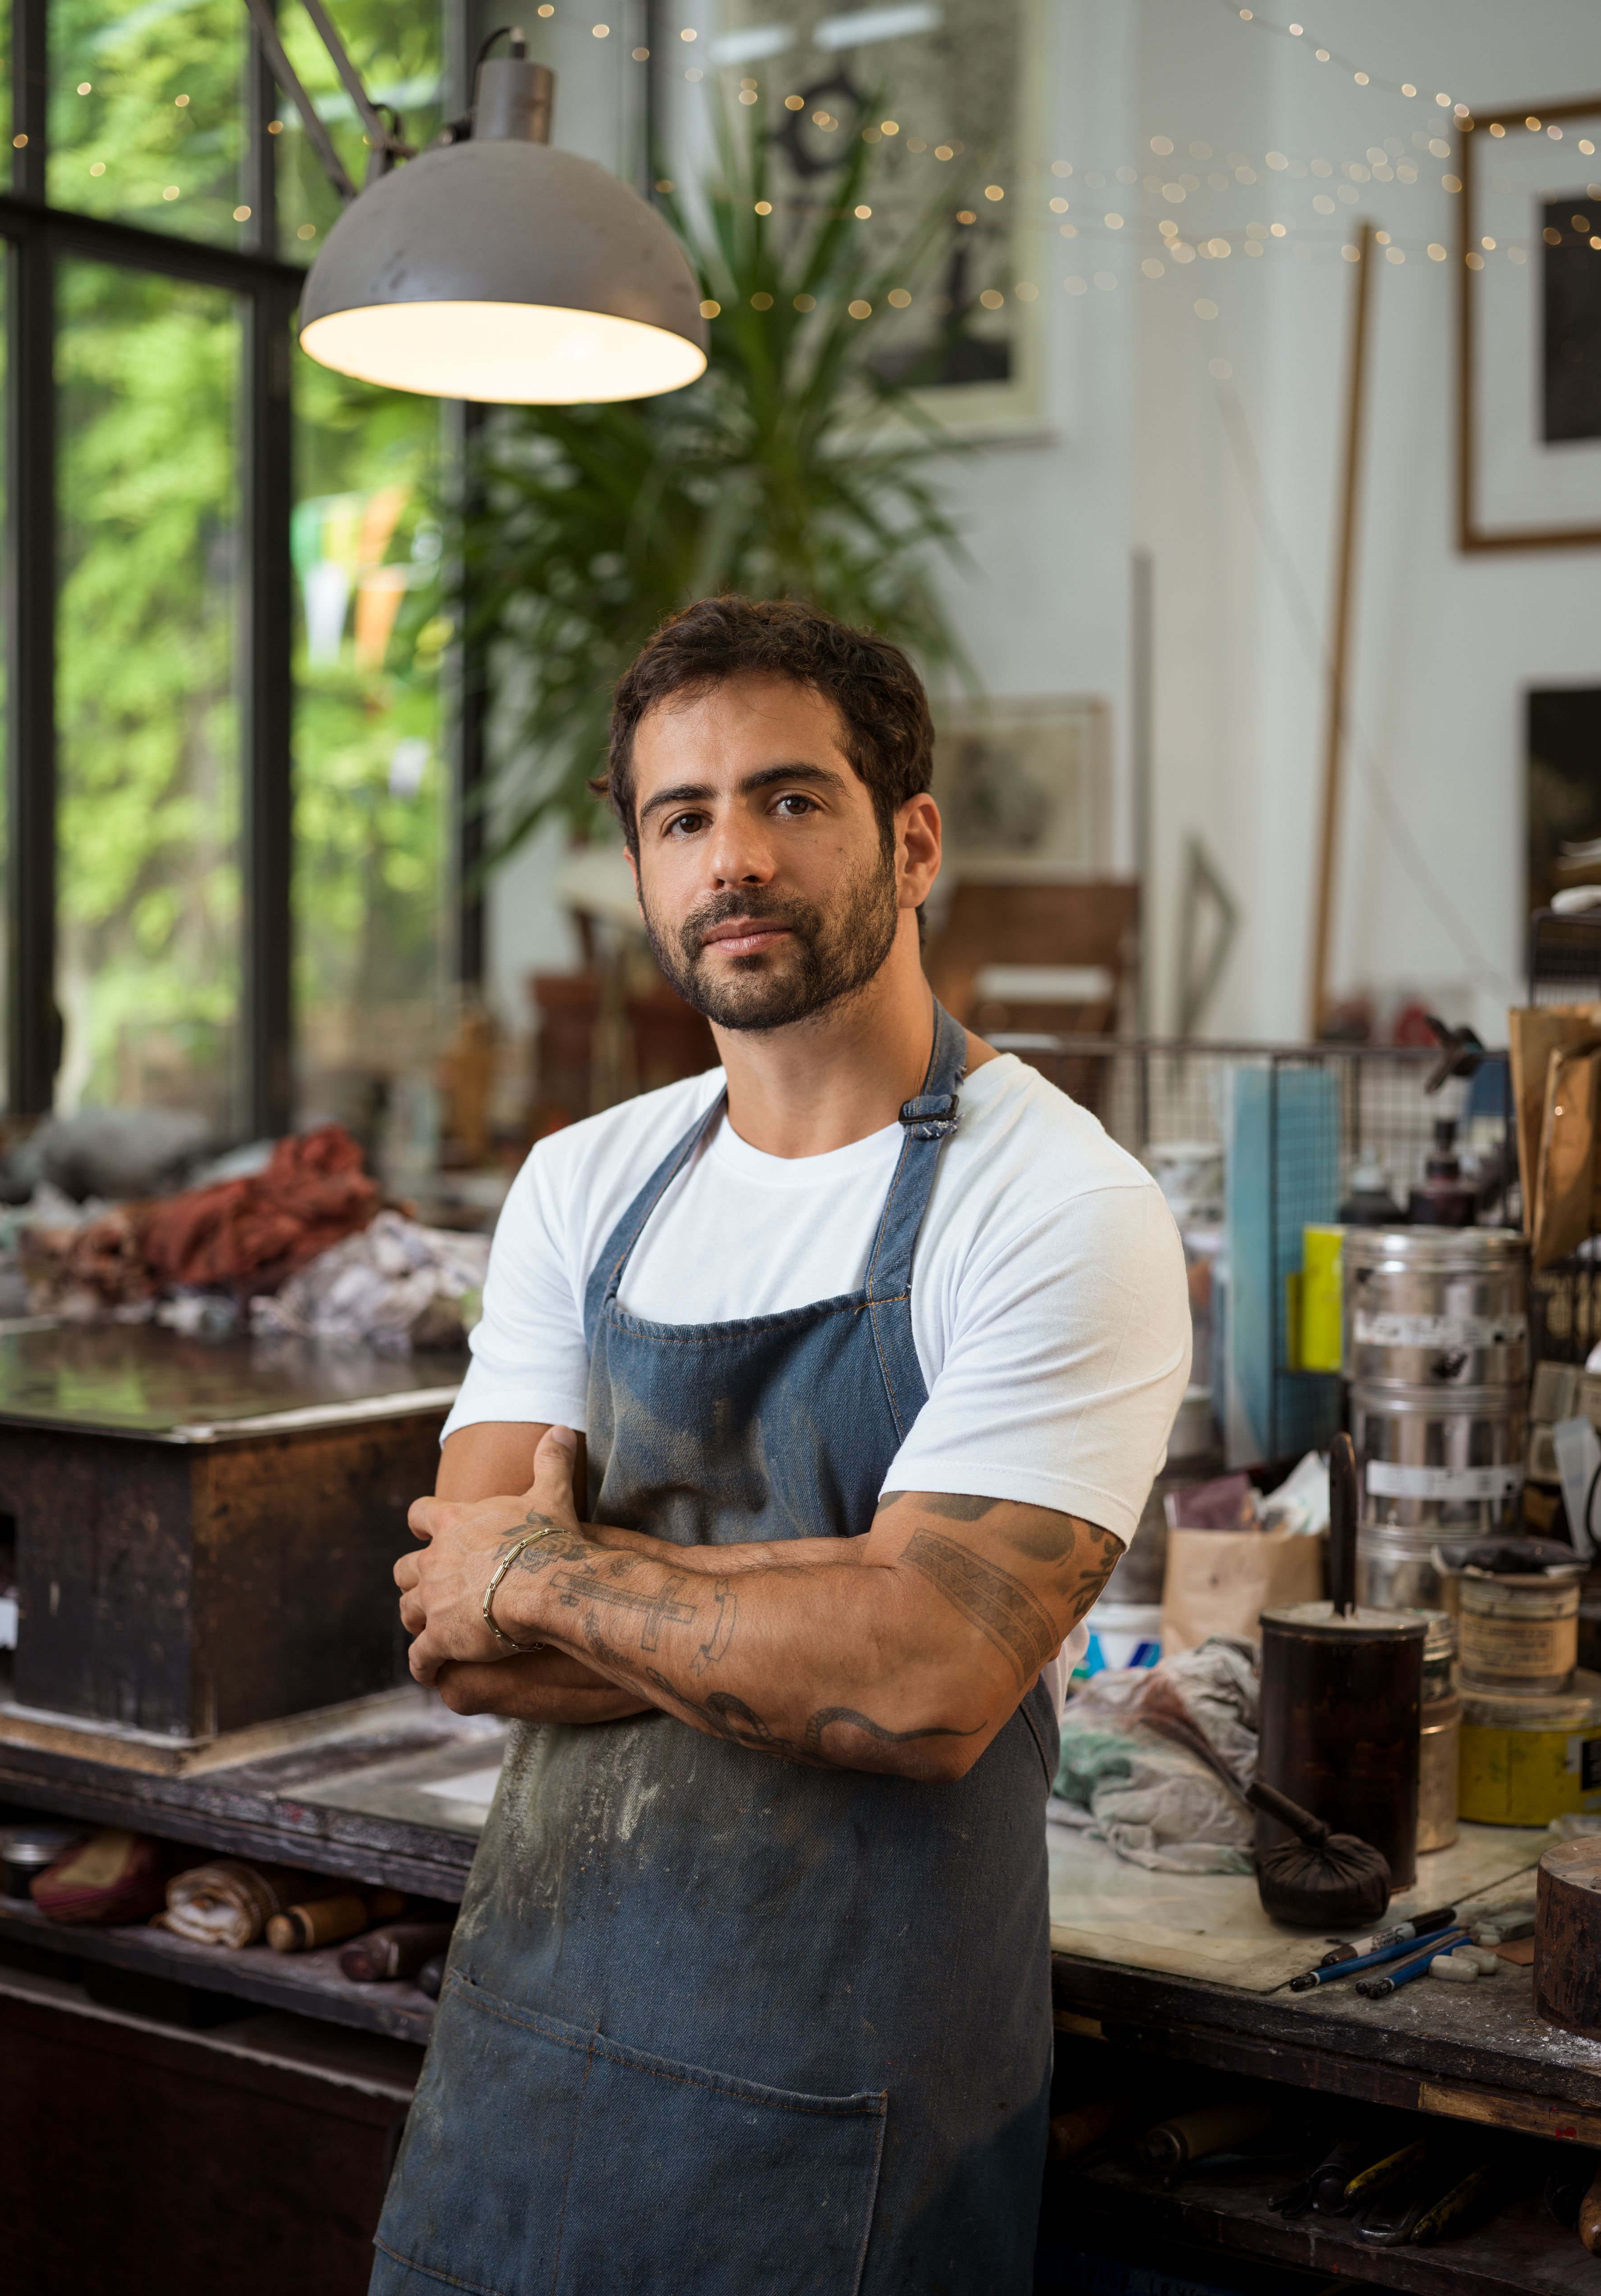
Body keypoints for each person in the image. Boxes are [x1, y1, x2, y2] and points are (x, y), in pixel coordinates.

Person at [374, 597, 1189, 2296]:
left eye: (790, 800)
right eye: (684, 817)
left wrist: (562, 1574)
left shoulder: (1058, 1206)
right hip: (531, 2071)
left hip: (859, 2123)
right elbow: (461, 1620)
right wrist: (829, 1607)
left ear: (914, 838)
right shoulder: (581, 1185)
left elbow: (927, 1680)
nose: (732, 857)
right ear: (643, 862)